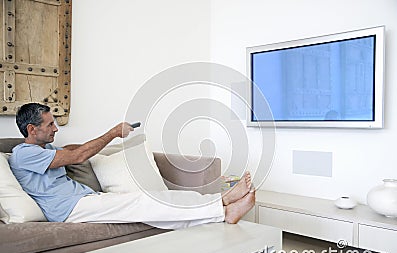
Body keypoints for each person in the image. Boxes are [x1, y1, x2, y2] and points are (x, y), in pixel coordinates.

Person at [8, 103, 255, 229]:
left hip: (84, 201)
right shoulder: (23, 154)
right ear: (32, 129)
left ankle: (220, 209)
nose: (56, 129)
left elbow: (76, 150)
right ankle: (221, 208)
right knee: (142, 201)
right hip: (68, 210)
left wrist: (94, 143)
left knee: (150, 206)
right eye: (50, 124)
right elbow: (79, 156)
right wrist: (114, 133)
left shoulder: (47, 150)